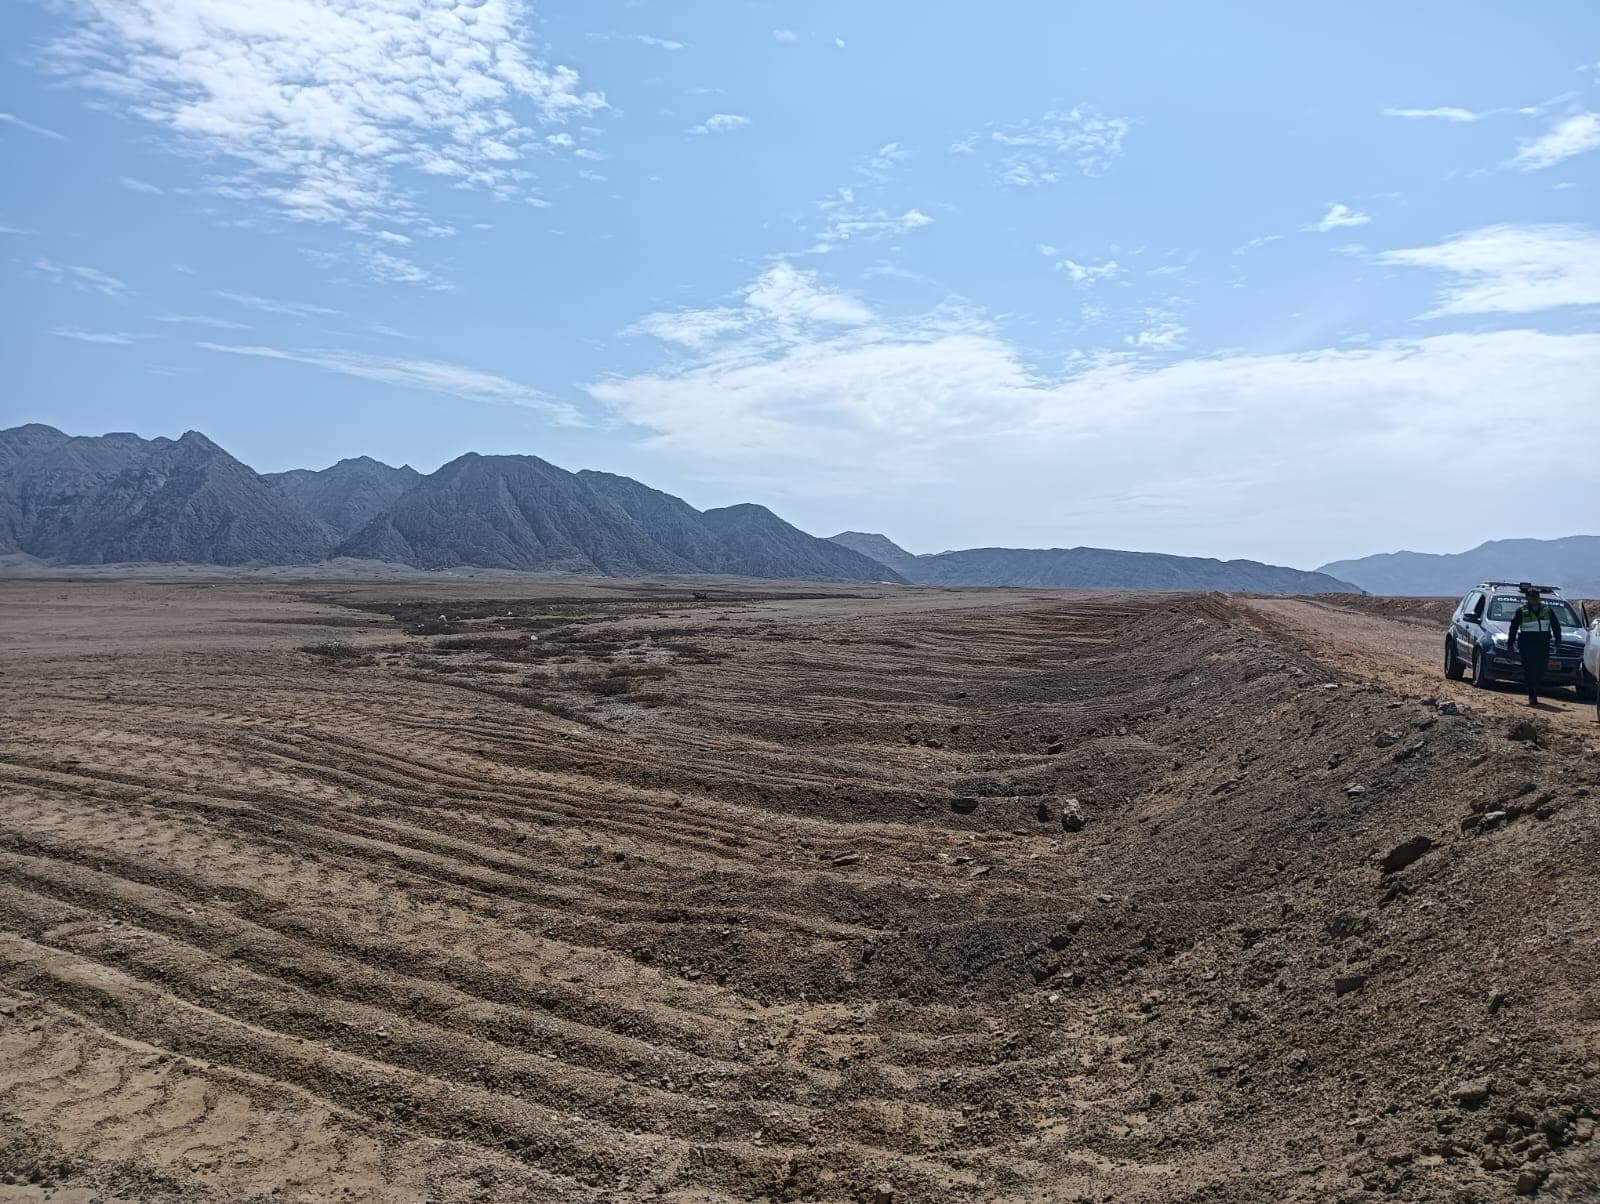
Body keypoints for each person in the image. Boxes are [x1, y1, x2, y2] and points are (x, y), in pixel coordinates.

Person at [1508, 586, 1563, 707]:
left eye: (1536, 596)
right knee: (1530, 669)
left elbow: (1556, 626)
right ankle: (1532, 695)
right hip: (1527, 645)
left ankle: (1534, 687)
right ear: (1527, 598)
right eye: (1532, 597)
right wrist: (1510, 644)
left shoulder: (1547, 610)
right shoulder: (1521, 611)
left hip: (1543, 644)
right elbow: (1513, 628)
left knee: (1541, 668)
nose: (1534, 599)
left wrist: (1558, 641)